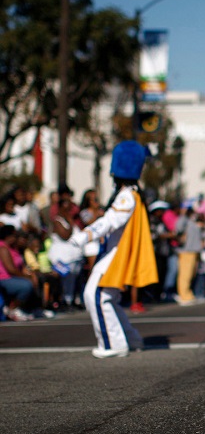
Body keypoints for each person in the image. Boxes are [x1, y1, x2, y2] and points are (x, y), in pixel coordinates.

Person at [70, 141, 158, 358]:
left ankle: (113, 344)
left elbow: (111, 220)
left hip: (115, 255)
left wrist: (85, 235)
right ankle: (130, 339)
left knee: (96, 296)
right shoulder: (130, 193)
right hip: (111, 253)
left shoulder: (127, 195)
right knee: (105, 298)